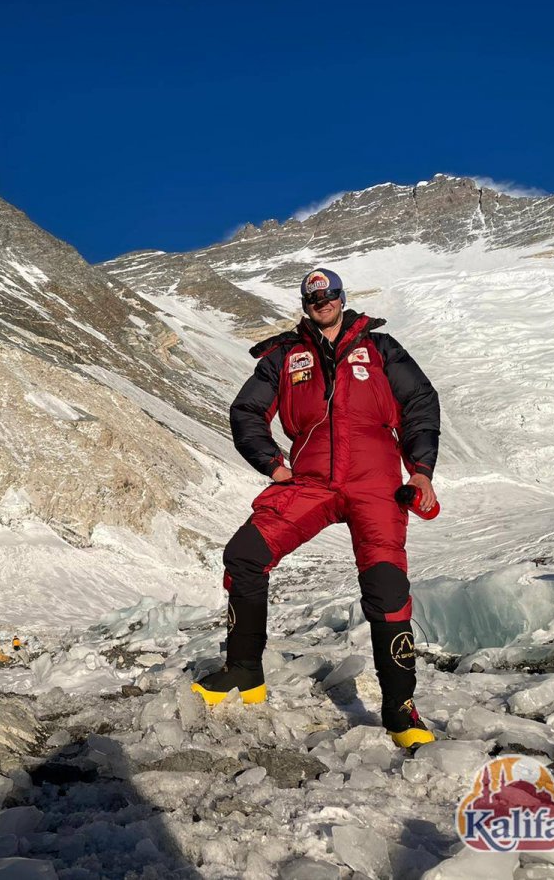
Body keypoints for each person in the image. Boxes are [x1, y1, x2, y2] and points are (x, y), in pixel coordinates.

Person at [191, 268, 440, 749]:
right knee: (245, 553)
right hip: (310, 480)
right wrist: (271, 463)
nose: (321, 302)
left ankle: (400, 710)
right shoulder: (284, 356)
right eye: (313, 297)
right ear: (304, 304)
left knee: (386, 587)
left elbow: (420, 403)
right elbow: (246, 411)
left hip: (376, 482)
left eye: (328, 295)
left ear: (343, 298)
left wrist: (422, 469)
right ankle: (244, 671)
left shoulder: (382, 349)